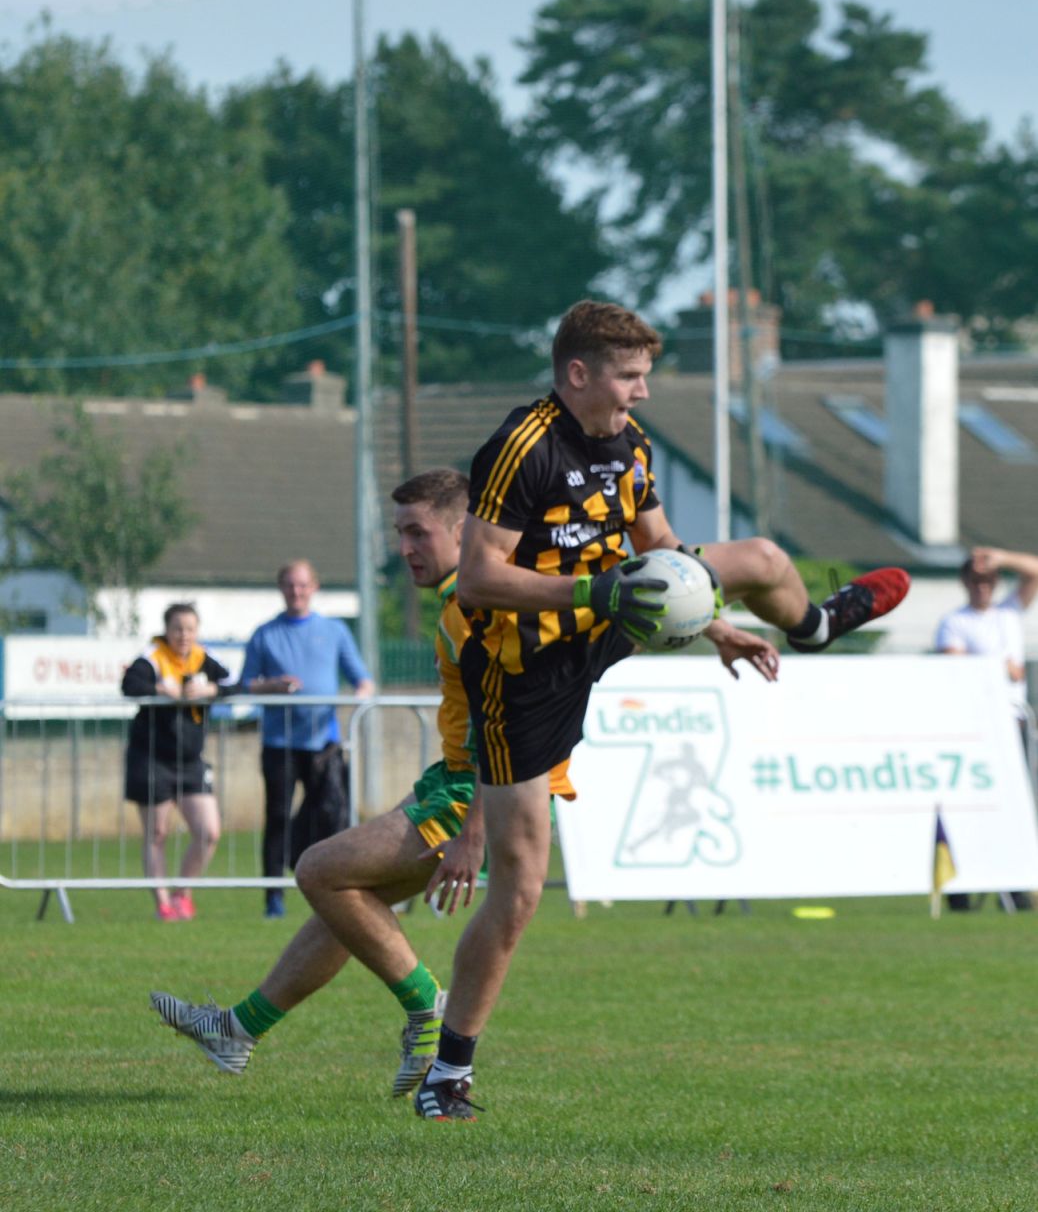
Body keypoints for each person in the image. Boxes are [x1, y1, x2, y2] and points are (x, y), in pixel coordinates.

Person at [413, 298, 911, 1121]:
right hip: (521, 665)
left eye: (646, 376)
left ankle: (816, 624)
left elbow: (661, 553)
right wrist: (594, 589)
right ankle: (447, 1075)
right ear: (578, 374)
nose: (642, 393)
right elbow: (476, 579)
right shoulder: (522, 446)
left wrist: (713, 623)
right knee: (523, 886)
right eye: (630, 377)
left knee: (760, 557)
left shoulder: (632, 446)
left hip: (607, 617)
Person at [149, 467, 781, 1092]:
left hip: (479, 788)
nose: (405, 549)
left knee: (319, 870)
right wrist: (716, 627)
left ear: (462, 531)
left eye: (418, 533)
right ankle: (238, 1030)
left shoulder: (483, 606)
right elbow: (624, 608)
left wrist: (473, 831)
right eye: (400, 534)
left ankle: (426, 1008)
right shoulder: (486, 596)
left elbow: (509, 727)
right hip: (453, 779)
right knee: (347, 901)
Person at [240, 558, 375, 918]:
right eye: (289, 585)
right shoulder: (264, 634)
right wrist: (273, 686)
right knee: (278, 817)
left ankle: (335, 890)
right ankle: (273, 898)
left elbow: (362, 678)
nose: (296, 592)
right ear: (281, 588)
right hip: (279, 743)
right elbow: (245, 684)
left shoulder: (334, 631)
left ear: (314, 587)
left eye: (302, 585)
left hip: (323, 743)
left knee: (332, 814)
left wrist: (361, 696)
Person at [935, 545, 1038, 911]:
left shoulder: (1008, 613)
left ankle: (1012, 886)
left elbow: (1035, 571)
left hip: (1014, 723)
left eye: (989, 580)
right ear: (965, 582)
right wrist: (1001, 670)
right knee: (973, 809)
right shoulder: (955, 622)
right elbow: (956, 670)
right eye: (977, 580)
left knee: (1015, 808)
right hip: (977, 727)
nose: (983, 586)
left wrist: (1001, 558)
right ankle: (962, 888)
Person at [122, 603, 234, 921]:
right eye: (177, 628)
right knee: (157, 833)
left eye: (189, 628)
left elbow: (237, 683)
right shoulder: (152, 657)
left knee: (208, 831)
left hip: (190, 761)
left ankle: (182, 894)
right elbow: (129, 686)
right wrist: (159, 689)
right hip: (152, 758)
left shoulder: (205, 659)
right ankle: (163, 904)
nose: (183, 635)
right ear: (166, 630)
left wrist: (211, 689)